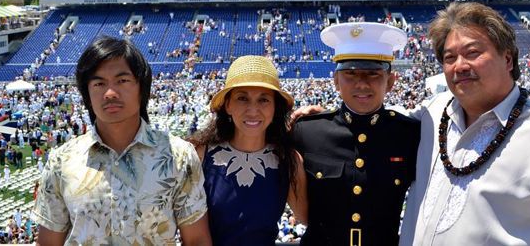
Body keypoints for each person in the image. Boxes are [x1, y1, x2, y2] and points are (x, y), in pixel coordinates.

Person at [399, 2, 530, 245]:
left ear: (507, 59)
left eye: (473, 53)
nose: (459, 66)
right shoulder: (432, 113)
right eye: (449, 57)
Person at [33, 36, 211, 245]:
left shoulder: (178, 155)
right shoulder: (61, 162)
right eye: (99, 83)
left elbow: (197, 239)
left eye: (122, 81)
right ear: (87, 94)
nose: (110, 93)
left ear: (142, 88)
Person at [291, 22, 420, 245]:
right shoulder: (306, 131)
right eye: (350, 74)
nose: (361, 84)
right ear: (336, 82)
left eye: (372, 74)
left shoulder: (411, 135)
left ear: (390, 82)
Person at [189, 55, 307, 246]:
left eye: (264, 100)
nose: (253, 110)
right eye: (242, 98)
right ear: (228, 105)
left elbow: (311, 218)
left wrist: (318, 122)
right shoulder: (200, 155)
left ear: (275, 107)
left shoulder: (289, 161)